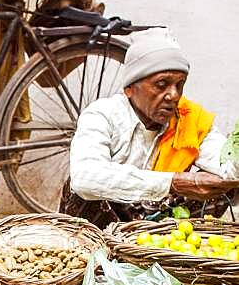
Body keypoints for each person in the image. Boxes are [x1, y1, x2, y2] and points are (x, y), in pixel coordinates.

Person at [67, 28, 239, 226]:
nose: (173, 95)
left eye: (179, 85)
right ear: (130, 89)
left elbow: (228, 168)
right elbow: (84, 177)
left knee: (217, 187)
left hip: (156, 226)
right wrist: (173, 182)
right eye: (161, 84)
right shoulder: (103, 114)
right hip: (105, 223)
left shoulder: (190, 119)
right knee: (87, 188)